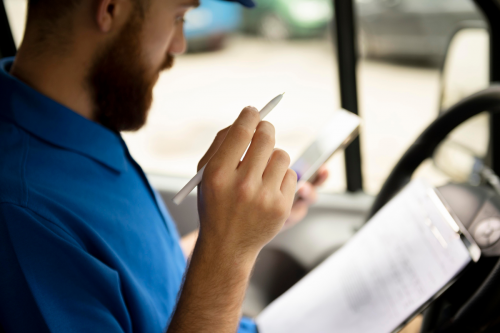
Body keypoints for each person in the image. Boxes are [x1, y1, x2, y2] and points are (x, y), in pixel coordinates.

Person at [0, 0, 328, 332]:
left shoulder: (83, 131)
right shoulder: (22, 213)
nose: (180, 45)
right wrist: (230, 251)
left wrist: (238, 226)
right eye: (179, 17)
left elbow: (150, 279)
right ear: (111, 8)